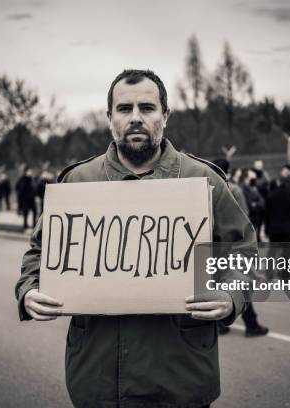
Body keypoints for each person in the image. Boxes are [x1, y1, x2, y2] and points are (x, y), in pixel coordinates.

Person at [15, 69, 256, 407]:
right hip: (97, 380)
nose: (136, 118)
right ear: (109, 117)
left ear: (165, 115)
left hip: (181, 380)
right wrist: (28, 290)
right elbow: (40, 252)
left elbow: (245, 253)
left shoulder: (203, 180)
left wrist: (232, 295)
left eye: (147, 108)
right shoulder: (77, 181)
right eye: (125, 109)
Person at [212, 159, 269, 337]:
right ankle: (251, 325)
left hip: (212, 245)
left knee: (216, 284)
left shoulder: (207, 186)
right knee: (238, 283)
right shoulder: (233, 188)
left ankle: (221, 324)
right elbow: (243, 219)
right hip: (230, 245)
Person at [264, 165, 290, 279]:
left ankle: (269, 273)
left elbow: (267, 215)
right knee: (287, 252)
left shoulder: (271, 195)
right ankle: (285, 274)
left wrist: (266, 229)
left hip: (274, 228)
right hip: (288, 228)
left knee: (272, 251)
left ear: (279, 182)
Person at [240, 168, 266, 243]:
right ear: (246, 178)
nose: (254, 181)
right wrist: (255, 204)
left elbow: (262, 202)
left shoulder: (254, 188)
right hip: (249, 220)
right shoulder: (243, 189)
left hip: (255, 219)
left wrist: (255, 204)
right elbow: (250, 206)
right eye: (252, 179)